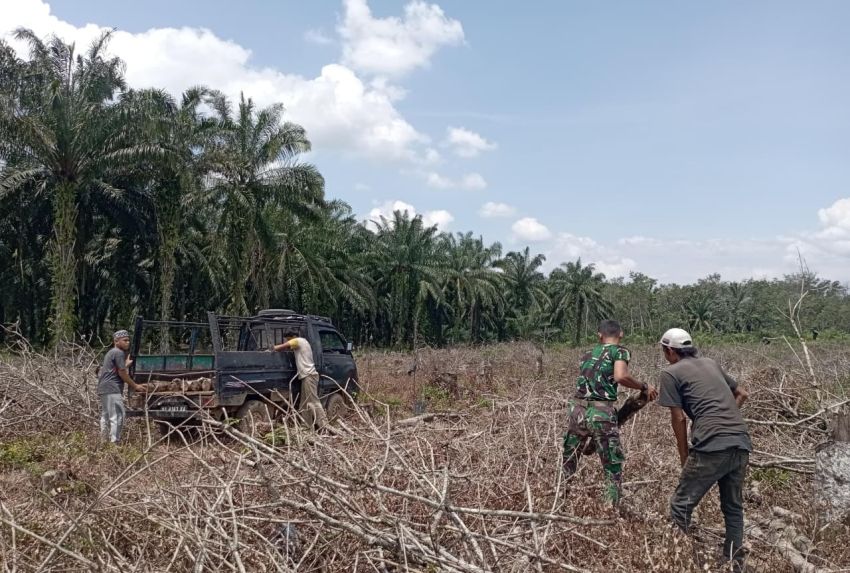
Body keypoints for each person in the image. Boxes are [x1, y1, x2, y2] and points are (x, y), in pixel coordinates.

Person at [656, 327, 751, 568]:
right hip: (740, 440)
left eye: (664, 351)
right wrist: (723, 421)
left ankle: (680, 563)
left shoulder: (670, 373)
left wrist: (684, 456)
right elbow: (741, 393)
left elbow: (678, 419)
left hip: (711, 447)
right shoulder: (710, 363)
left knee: (680, 507)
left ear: (669, 351)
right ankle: (734, 565)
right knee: (733, 509)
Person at [562, 320, 658, 505]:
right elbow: (621, 376)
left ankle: (562, 501)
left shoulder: (587, 354)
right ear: (621, 334)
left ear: (599, 335)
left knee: (570, 459)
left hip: (577, 410)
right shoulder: (620, 351)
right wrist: (644, 386)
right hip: (601, 413)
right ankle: (610, 508)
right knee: (612, 465)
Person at [97, 330, 147, 444]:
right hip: (112, 388)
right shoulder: (118, 352)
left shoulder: (111, 352)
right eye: (125, 340)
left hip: (104, 388)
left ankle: (104, 442)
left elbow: (115, 369)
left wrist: (125, 364)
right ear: (116, 341)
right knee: (118, 416)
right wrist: (135, 386)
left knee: (106, 416)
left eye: (128, 340)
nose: (127, 342)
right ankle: (115, 443)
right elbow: (122, 373)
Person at [272, 330, 328, 430]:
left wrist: (272, 348)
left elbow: (281, 347)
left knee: (314, 401)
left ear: (293, 336)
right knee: (305, 404)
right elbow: (289, 347)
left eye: (288, 339)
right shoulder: (304, 342)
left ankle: (324, 425)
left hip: (309, 376)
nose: (288, 342)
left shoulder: (298, 341)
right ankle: (306, 427)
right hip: (307, 376)